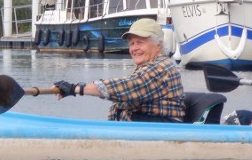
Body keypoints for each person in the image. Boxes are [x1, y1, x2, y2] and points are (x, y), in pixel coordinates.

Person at [53, 18, 185, 122]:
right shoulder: (149, 67)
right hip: (143, 127)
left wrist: (76, 88)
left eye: (140, 42)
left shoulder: (160, 67)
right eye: (132, 43)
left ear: (158, 45)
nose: (134, 48)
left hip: (161, 129)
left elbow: (127, 87)